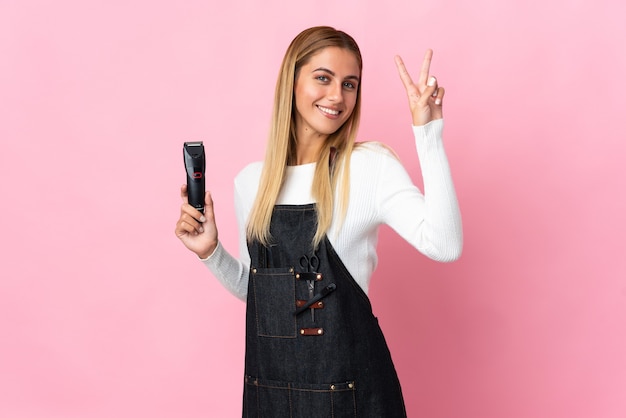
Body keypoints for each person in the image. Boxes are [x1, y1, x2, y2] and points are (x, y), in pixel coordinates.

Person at [175, 26, 462, 417]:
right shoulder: (251, 182)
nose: (336, 97)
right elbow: (261, 296)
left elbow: (444, 244)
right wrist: (210, 253)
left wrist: (428, 132)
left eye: (349, 84)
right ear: (291, 82)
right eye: (323, 78)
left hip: (355, 400)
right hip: (271, 400)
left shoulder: (369, 168)